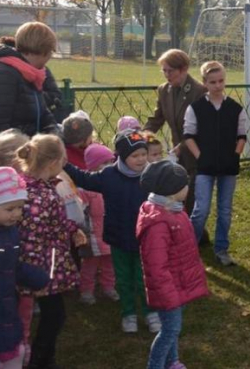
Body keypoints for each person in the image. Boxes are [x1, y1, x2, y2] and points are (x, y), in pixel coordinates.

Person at [64, 130, 161, 334]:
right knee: (124, 279)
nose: (141, 159)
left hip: (145, 238)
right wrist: (64, 164)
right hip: (118, 237)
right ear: (123, 157)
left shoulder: (153, 174)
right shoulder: (109, 175)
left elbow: (168, 193)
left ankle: (151, 311)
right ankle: (128, 313)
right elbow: (84, 178)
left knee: (145, 277)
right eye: (135, 156)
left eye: (144, 154)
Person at [16, 135, 88, 369]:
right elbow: (47, 228)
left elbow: (50, 223)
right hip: (42, 264)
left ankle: (45, 359)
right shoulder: (43, 195)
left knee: (48, 314)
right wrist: (72, 230)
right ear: (52, 163)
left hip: (30, 260)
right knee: (55, 316)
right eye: (63, 161)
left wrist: (70, 229)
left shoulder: (25, 185)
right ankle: (39, 359)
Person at [137, 160, 209, 369]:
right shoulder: (159, 222)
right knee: (169, 330)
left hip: (177, 283)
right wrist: (168, 294)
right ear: (173, 190)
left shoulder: (173, 210)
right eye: (185, 184)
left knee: (172, 328)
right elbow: (155, 265)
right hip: (168, 289)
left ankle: (172, 361)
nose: (188, 187)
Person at [184, 62, 247, 267]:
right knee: (201, 209)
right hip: (205, 167)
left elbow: (242, 135)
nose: (218, 86)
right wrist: (200, 156)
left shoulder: (235, 108)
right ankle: (190, 249)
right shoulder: (196, 108)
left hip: (228, 167)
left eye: (221, 81)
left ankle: (221, 249)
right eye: (213, 82)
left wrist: (235, 155)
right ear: (204, 83)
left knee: (225, 209)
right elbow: (189, 136)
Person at [0, 167, 49, 369]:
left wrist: (36, 277)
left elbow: (11, 265)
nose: (17, 214)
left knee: (7, 348)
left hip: (4, 305)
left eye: (20, 208)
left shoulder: (10, 232)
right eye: (10, 209)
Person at [144, 49, 207, 221]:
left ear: (184, 69)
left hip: (197, 154)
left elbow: (202, 128)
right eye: (163, 70)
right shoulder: (164, 90)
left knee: (192, 196)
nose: (166, 74)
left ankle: (194, 236)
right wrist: (142, 137)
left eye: (170, 70)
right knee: (175, 196)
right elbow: (157, 119)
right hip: (177, 155)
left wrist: (184, 146)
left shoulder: (199, 92)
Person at [0, 22, 59, 141]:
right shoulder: (3, 75)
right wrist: (28, 147)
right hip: (12, 153)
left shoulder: (31, 74)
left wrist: (53, 133)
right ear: (44, 51)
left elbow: (43, 113)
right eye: (51, 51)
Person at [78, 143, 119, 306]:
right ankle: (86, 290)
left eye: (111, 162)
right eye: (104, 163)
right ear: (93, 166)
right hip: (92, 235)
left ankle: (108, 286)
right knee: (90, 266)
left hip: (109, 233)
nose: (109, 166)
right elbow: (80, 212)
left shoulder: (114, 184)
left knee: (110, 263)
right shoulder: (86, 189)